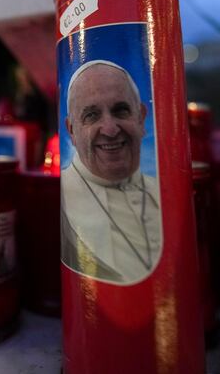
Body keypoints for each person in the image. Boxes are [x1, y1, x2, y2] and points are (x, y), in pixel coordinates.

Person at [61, 60, 161, 284]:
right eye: (91, 116)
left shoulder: (164, 191)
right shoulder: (60, 200)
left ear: (141, 117)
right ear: (72, 131)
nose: (110, 129)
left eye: (121, 111)